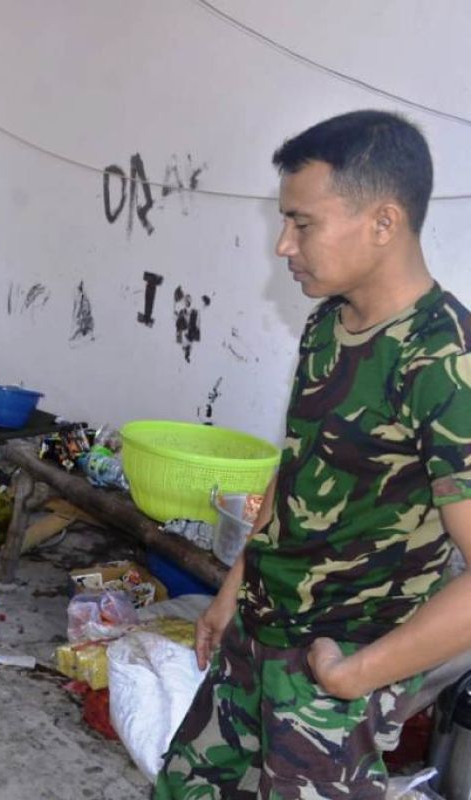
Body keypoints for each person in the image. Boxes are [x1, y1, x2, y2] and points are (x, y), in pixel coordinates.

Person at [155, 110, 471, 798]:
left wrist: (352, 677)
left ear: (383, 223)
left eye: (302, 224)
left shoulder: (443, 365)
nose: (282, 247)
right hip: (257, 633)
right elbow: (295, 472)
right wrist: (232, 593)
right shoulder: (329, 320)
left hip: (337, 671)